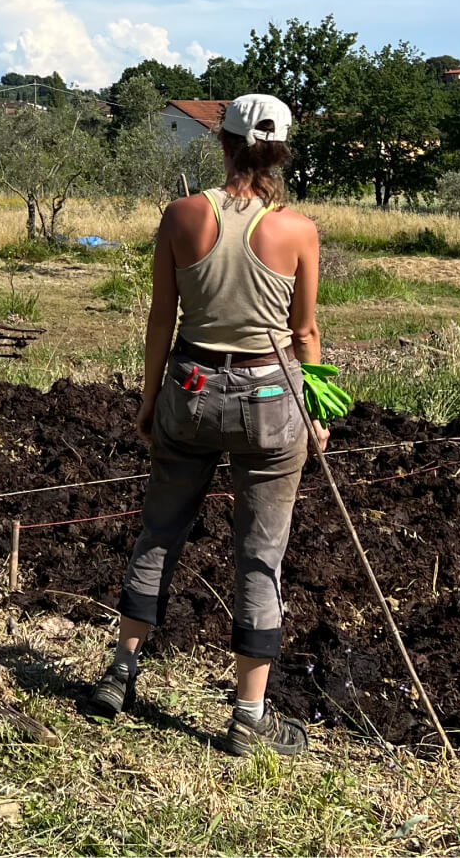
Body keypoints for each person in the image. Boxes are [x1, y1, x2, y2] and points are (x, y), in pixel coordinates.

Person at [87, 93, 328, 756]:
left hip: (189, 387)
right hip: (271, 392)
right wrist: (321, 409)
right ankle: (248, 713)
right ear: (279, 153)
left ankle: (122, 670)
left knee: (161, 530)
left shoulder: (182, 215)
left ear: (219, 144)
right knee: (260, 551)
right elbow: (304, 331)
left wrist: (146, 396)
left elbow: (161, 318)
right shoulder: (298, 230)